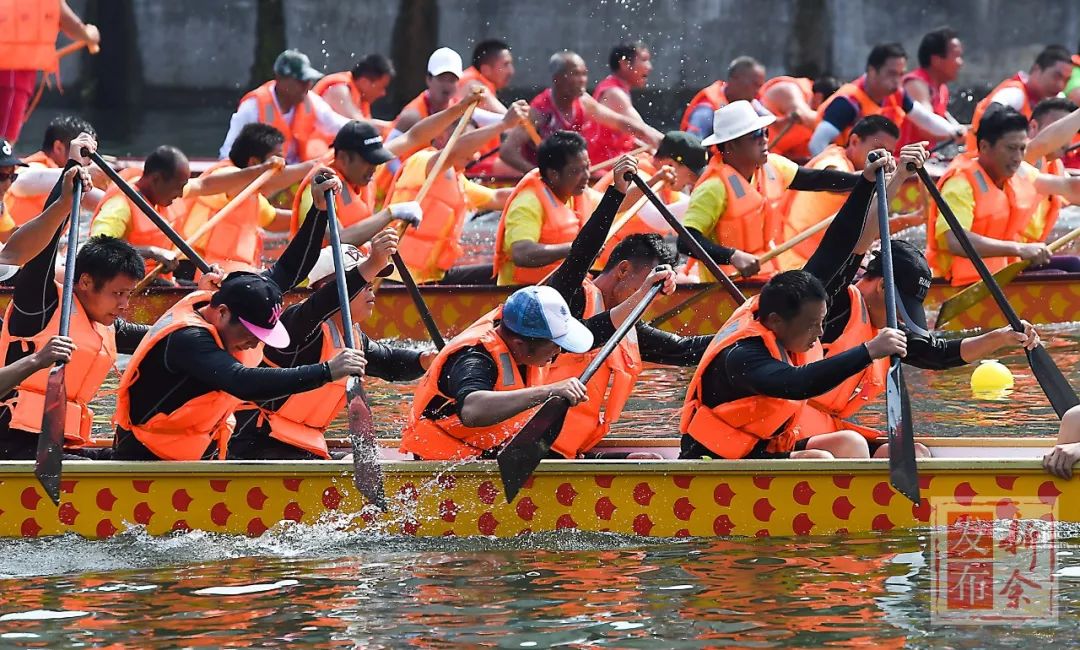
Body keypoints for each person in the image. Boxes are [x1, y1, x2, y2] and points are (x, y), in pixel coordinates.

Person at [792, 144, 1040, 456]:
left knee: (914, 451)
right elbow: (847, 247)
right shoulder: (830, 304)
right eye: (902, 305)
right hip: (782, 429)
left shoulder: (886, 330)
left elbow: (936, 353)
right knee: (851, 445)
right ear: (883, 287)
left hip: (823, 428)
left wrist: (1002, 337)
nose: (902, 318)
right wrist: (894, 183)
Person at [111, 173, 367, 461]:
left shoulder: (244, 295)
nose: (253, 342)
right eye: (250, 333)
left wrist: (318, 210)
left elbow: (290, 269)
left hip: (193, 453)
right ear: (222, 313)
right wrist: (326, 371)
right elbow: (244, 382)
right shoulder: (190, 340)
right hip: (146, 459)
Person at [399, 265, 676, 461]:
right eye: (555, 346)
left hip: (484, 456)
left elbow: (600, 329)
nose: (559, 354)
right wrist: (549, 391)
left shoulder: (528, 343)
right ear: (520, 343)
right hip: (441, 467)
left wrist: (643, 295)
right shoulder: (475, 358)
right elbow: (472, 410)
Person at [0, 135, 151, 460]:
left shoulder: (108, 325)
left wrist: (213, 305)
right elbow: (40, 255)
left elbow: (166, 336)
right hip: (12, 442)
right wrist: (69, 183)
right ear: (84, 281)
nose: (124, 304)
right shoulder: (38, 306)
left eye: (128, 294)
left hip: (55, 446)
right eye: (118, 294)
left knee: (130, 458)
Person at [228, 234, 431, 460]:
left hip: (299, 446)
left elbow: (390, 363)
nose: (370, 287)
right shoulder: (297, 326)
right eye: (362, 280)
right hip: (254, 444)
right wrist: (372, 262)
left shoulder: (352, 336)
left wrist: (428, 359)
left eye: (371, 281)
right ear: (327, 287)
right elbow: (320, 304)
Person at [679, 267, 907, 460]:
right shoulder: (744, 356)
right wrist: (868, 351)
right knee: (821, 459)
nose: (819, 334)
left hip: (758, 450)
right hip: (713, 460)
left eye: (822, 322)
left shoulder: (783, 340)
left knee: (850, 443)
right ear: (776, 320)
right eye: (811, 325)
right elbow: (797, 383)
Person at [680, 100, 862, 282]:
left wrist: (864, 179)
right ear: (731, 146)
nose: (765, 139)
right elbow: (685, 240)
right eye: (756, 135)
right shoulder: (713, 188)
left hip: (766, 282)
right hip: (726, 289)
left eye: (765, 132)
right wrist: (732, 256)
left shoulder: (773, 166)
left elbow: (817, 179)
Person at [289, 94, 483, 241]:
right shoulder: (317, 190)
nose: (374, 169)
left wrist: (458, 109)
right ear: (344, 158)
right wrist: (390, 213)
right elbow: (340, 238)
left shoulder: (362, 167)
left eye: (376, 161)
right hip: (314, 286)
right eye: (369, 162)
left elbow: (414, 136)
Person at [927, 107, 1080, 286]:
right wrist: (1019, 249)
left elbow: (1068, 187)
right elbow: (955, 241)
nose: (1017, 157)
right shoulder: (960, 184)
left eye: (1022, 149)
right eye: (1011, 148)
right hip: (963, 284)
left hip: (1001, 273)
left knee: (1074, 265)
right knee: (1062, 279)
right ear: (984, 146)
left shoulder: (1019, 172)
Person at [383, 101, 529, 284]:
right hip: (397, 278)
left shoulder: (459, 182)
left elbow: (497, 197)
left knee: (499, 272)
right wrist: (503, 125)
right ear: (443, 138)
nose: (475, 155)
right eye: (470, 142)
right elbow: (456, 150)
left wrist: (540, 183)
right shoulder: (422, 161)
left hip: (432, 278)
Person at [178, 123, 316, 273]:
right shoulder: (225, 175)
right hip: (190, 272)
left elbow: (274, 220)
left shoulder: (251, 195)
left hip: (221, 275)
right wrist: (313, 167)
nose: (284, 167)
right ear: (254, 163)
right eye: (279, 163)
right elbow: (267, 181)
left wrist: (316, 217)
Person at [499, 51, 662, 173]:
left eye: (584, 74)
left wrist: (651, 134)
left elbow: (619, 122)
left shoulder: (584, 101)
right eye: (576, 74)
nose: (583, 80)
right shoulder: (540, 111)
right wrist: (539, 175)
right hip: (550, 180)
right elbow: (507, 151)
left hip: (577, 175)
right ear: (558, 78)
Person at [778, 115, 903, 270]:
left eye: (889, 153)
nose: (884, 158)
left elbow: (870, 231)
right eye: (878, 151)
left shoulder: (854, 167)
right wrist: (876, 177)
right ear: (855, 141)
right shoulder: (835, 161)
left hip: (821, 261)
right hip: (799, 265)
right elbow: (832, 174)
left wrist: (912, 219)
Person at [809, 43, 962, 156]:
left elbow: (925, 119)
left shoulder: (897, 94)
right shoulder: (848, 102)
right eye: (891, 74)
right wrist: (835, 176)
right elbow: (816, 143)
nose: (897, 81)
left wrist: (955, 131)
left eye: (901, 74)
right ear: (872, 71)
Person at [494, 130, 603, 285]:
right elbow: (522, 253)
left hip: (560, 288)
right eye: (575, 171)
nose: (586, 176)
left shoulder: (578, 192)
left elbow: (618, 204)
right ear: (553, 174)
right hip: (525, 298)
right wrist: (576, 248)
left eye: (587, 167)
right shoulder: (528, 203)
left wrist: (641, 184)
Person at [593, 130, 707, 270]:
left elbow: (686, 216)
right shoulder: (635, 174)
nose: (693, 181)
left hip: (622, 269)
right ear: (670, 165)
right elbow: (657, 219)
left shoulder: (668, 190)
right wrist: (702, 198)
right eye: (691, 174)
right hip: (596, 268)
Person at [219, 49, 352, 163]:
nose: (307, 86)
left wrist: (367, 128)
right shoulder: (252, 107)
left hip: (295, 176)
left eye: (309, 81)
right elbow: (227, 154)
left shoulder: (311, 101)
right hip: (264, 178)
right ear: (280, 79)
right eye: (301, 81)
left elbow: (339, 125)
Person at [0, 0, 100, 143]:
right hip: (13, 76)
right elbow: (73, 26)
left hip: (13, 74)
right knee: (4, 143)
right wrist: (91, 34)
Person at [88, 145, 190, 276]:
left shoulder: (160, 196)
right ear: (156, 179)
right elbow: (97, 248)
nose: (181, 194)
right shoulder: (120, 205)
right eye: (178, 188)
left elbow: (204, 185)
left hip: (157, 281)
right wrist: (152, 252)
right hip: (125, 287)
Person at [3, 115, 105, 233]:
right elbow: (18, 183)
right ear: (58, 148)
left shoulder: (69, 183)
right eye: (85, 153)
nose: (90, 161)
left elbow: (99, 201)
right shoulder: (37, 167)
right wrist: (76, 170)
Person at [966, 45, 1075, 154]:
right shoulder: (1014, 93)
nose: (1061, 85)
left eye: (1066, 80)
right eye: (1056, 76)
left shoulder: (1057, 99)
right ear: (1037, 69)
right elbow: (990, 115)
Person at [452, 39, 518, 177]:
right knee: (531, 171)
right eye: (505, 65)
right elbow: (512, 122)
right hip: (469, 162)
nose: (511, 71)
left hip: (474, 159)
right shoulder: (474, 85)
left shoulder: (479, 82)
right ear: (486, 70)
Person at [583, 42, 655, 164]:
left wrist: (653, 151)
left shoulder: (617, 88)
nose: (650, 67)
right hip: (604, 168)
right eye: (644, 60)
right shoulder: (614, 93)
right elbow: (645, 133)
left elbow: (635, 139)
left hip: (615, 163)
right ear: (625, 63)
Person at [898, 27, 964, 149]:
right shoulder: (916, 84)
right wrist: (959, 133)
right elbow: (925, 128)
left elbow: (944, 120)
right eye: (956, 56)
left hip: (922, 158)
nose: (961, 62)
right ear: (936, 60)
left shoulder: (942, 88)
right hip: (900, 160)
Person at [681, 56, 769, 140]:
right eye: (755, 84)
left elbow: (771, 123)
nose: (758, 91)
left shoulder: (753, 103)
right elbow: (692, 146)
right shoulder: (706, 111)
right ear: (735, 78)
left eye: (760, 86)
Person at [757, 75, 841, 162]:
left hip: (770, 162)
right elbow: (803, 115)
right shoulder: (789, 89)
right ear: (818, 98)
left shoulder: (813, 130)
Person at [391, 47, 466, 136]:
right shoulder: (411, 116)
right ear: (428, 79)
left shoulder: (461, 108)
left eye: (452, 80)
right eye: (441, 79)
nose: (447, 85)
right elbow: (387, 148)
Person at [313, 53, 396, 129]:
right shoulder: (339, 89)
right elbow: (359, 126)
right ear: (364, 82)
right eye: (381, 87)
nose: (383, 93)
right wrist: (396, 127)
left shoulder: (362, 99)